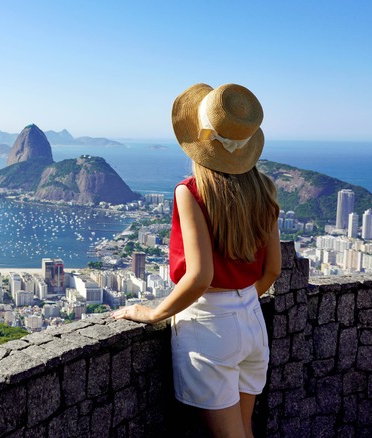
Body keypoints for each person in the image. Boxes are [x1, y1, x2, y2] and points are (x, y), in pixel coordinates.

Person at [111, 83, 281, 438]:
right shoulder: (264, 188)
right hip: (252, 320)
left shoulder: (189, 192)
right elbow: (272, 270)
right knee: (245, 431)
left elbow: (200, 275)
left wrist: (153, 313)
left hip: (209, 325)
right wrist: (241, 299)